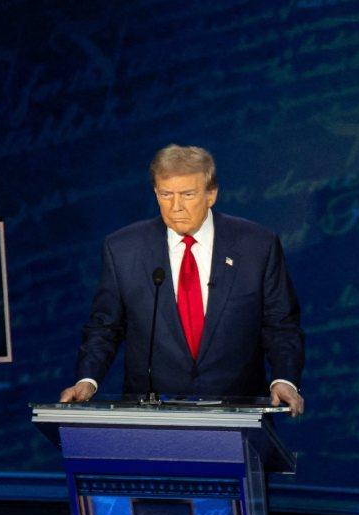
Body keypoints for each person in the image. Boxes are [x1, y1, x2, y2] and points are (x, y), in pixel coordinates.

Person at [59, 145, 305, 413]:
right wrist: (88, 380)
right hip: (151, 415)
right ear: (156, 193)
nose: (176, 207)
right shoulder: (123, 249)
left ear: (211, 194)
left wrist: (284, 378)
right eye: (166, 194)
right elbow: (105, 327)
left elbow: (280, 324)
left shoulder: (257, 245)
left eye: (188, 194)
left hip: (237, 411)